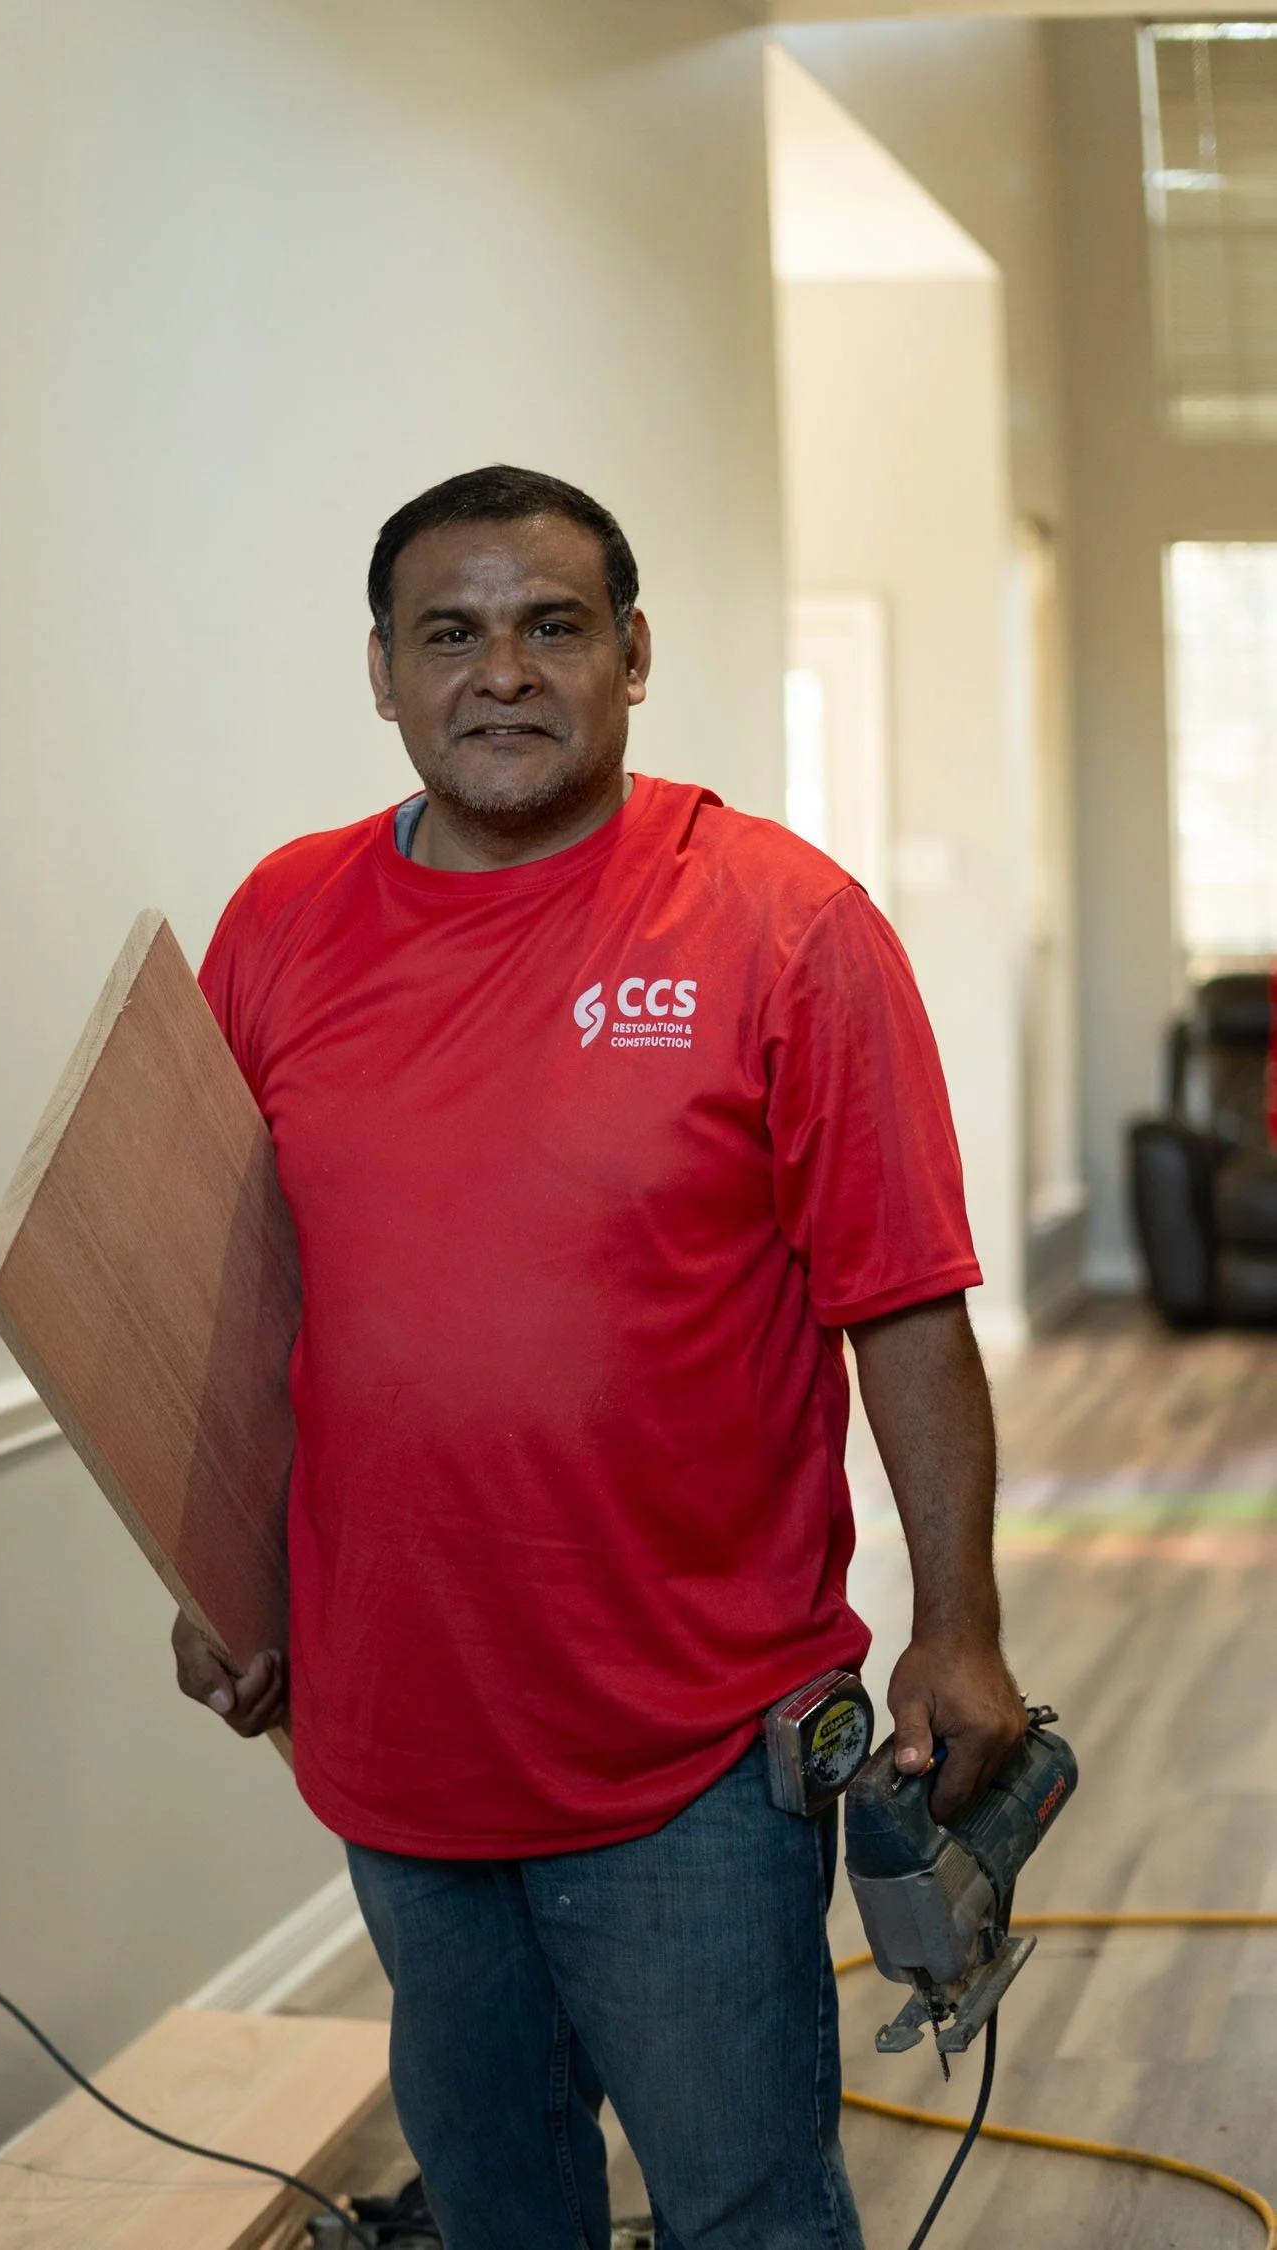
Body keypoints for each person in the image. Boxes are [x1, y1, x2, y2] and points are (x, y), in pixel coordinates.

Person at [173, 465, 1025, 2250]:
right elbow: (235, 1302)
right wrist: (217, 1565)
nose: (503, 673)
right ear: (385, 675)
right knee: (498, 2203)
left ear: (634, 656)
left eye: (553, 627)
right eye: (451, 634)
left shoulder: (783, 924)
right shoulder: (278, 923)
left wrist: (958, 1622)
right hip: (399, 1727)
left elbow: (908, 1301)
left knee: (746, 2209)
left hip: (694, 1749)